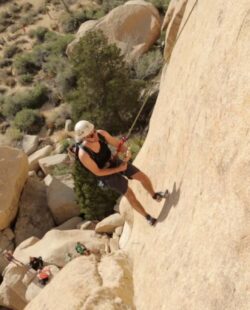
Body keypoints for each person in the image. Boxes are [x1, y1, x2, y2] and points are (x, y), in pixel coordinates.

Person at [71, 120, 168, 226]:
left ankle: (155, 195)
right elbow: (98, 172)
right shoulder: (83, 154)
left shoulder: (101, 134)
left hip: (114, 161)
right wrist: (118, 169)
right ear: (84, 138)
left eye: (93, 131)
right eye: (90, 136)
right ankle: (148, 217)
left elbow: (117, 144)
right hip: (106, 175)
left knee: (141, 176)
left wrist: (126, 151)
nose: (94, 136)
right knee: (129, 194)